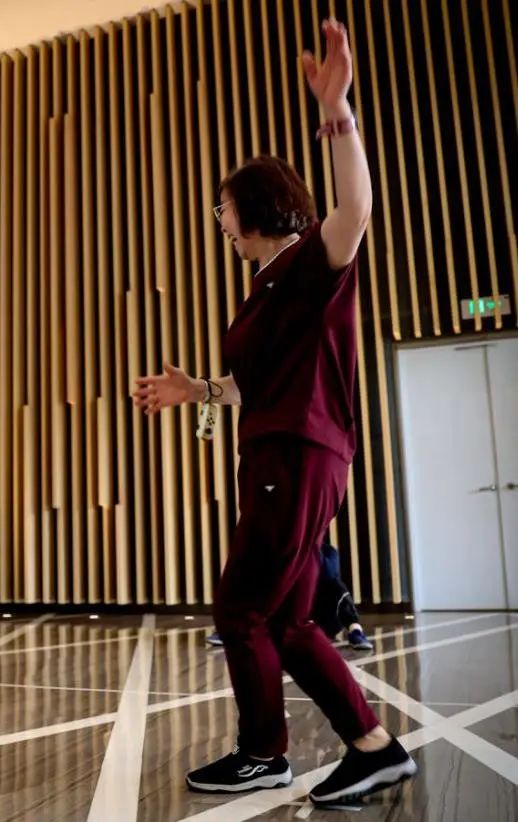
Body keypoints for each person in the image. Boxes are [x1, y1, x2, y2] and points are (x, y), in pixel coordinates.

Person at [133, 18, 416, 805]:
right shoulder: (265, 287)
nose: (220, 222)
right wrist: (199, 391)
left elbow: (356, 209)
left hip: (295, 454)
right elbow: (258, 385)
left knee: (241, 608)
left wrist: (338, 113)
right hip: (283, 450)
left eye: (222, 209)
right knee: (289, 620)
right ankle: (371, 746)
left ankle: (265, 753)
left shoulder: (310, 260)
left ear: (255, 208)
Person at [207, 541, 373, 651]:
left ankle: (355, 631)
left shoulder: (328, 552)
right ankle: (233, 629)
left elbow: (329, 573)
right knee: (258, 582)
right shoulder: (280, 550)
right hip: (288, 616)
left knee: (336, 586)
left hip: (322, 616)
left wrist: (307, 552)